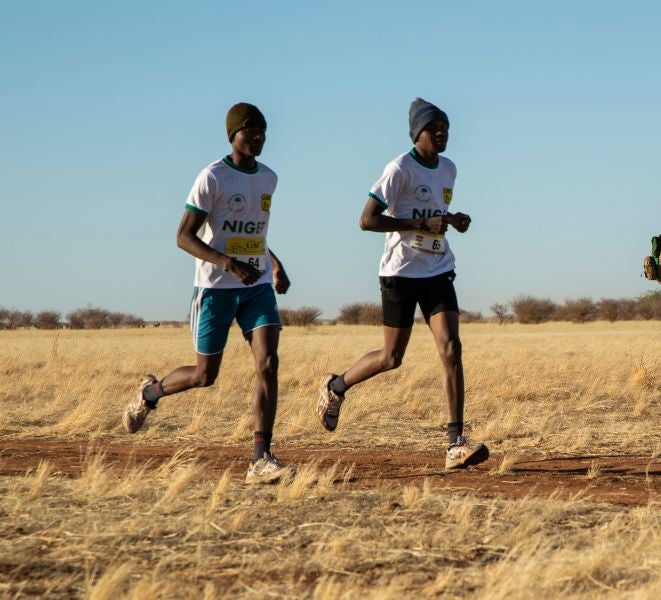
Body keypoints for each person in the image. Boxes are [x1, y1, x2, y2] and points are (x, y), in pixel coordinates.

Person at [122, 102, 293, 484]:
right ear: (233, 134)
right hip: (216, 288)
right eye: (251, 131)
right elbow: (184, 236)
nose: (259, 137)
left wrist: (275, 263)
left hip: (257, 286)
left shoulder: (269, 178)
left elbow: (254, 233)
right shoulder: (212, 177)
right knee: (205, 375)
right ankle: (151, 393)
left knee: (268, 363)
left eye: (263, 131)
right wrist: (227, 263)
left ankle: (260, 458)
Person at [317, 98, 489, 470]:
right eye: (434, 128)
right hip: (400, 272)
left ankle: (455, 442)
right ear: (417, 133)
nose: (442, 133)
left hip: (438, 268)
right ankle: (336, 387)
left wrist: (451, 220)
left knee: (451, 348)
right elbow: (367, 220)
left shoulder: (449, 169)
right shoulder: (399, 169)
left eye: (445, 126)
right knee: (391, 358)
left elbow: (433, 215)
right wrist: (417, 224)